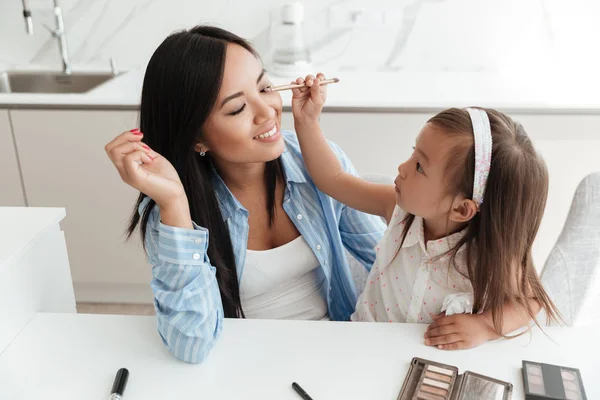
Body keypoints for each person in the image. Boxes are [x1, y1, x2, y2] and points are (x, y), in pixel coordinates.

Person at [104, 26, 385, 363]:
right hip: (242, 363)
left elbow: (387, 259)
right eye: (237, 109)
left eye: (265, 87)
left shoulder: (317, 162)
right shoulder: (171, 208)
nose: (267, 111)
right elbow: (191, 344)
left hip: (335, 346)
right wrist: (175, 204)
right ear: (197, 138)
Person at [290, 74, 561, 350]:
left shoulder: (486, 253)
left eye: (420, 166)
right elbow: (333, 179)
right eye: (413, 153)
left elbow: (530, 301)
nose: (402, 168)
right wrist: (307, 120)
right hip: (362, 347)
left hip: (427, 362)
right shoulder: (397, 209)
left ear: (462, 208)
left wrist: (485, 326)